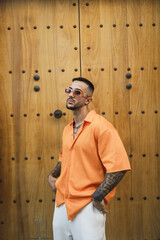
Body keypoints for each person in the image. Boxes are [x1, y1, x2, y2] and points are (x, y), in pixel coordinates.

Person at [47, 77, 131, 240]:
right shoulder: (67, 129)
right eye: (69, 90)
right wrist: (51, 176)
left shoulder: (102, 127)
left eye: (77, 92)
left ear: (88, 100)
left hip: (86, 206)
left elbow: (119, 167)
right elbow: (65, 158)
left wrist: (98, 195)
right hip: (62, 204)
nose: (71, 94)